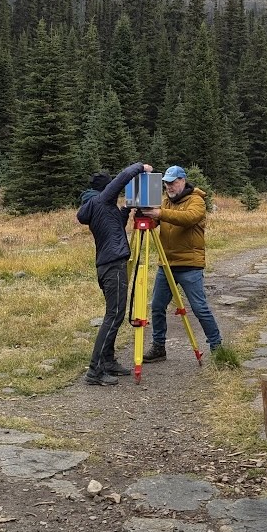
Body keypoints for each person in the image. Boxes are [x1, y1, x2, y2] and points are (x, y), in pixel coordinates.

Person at [77, 162, 153, 386]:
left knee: (114, 314)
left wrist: (128, 208)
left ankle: (108, 361)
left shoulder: (99, 207)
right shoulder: (101, 200)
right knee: (114, 315)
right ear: (105, 189)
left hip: (107, 264)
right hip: (112, 265)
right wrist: (141, 167)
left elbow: (116, 226)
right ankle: (95, 370)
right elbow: (123, 177)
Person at [142, 165, 223, 361]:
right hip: (166, 264)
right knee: (157, 306)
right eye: (166, 183)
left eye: (173, 182)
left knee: (199, 308)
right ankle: (159, 347)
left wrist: (159, 214)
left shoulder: (196, 201)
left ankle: (217, 347)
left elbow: (188, 218)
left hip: (189, 265)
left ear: (183, 181)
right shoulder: (166, 203)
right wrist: (145, 214)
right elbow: (156, 222)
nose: (169, 187)